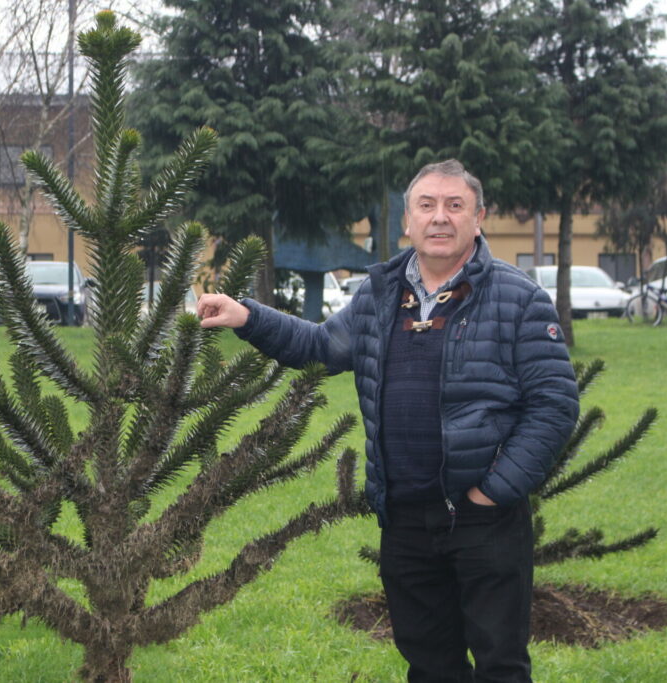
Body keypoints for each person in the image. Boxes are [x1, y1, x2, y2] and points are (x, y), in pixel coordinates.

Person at [198, 159, 579, 682]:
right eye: (427, 206)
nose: (439, 218)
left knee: (501, 665)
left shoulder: (519, 300)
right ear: (408, 220)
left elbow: (554, 405)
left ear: (479, 218)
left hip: (485, 519)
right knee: (428, 664)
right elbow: (319, 345)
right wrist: (249, 317)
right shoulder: (379, 295)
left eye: (454, 205)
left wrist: (493, 491)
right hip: (404, 519)